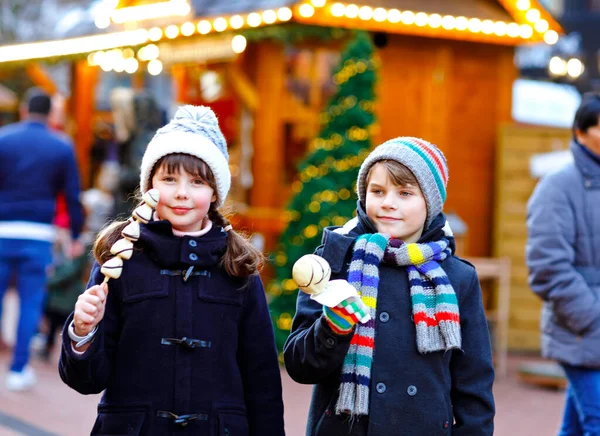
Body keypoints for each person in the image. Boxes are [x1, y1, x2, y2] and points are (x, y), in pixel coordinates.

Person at [58, 105, 285, 435]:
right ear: (150, 185)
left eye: (197, 181)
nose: (181, 193)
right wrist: (82, 333)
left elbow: (261, 377)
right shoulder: (119, 259)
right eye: (168, 179)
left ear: (215, 192)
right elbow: (88, 380)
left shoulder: (238, 267)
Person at [284, 137, 495, 435]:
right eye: (377, 191)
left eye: (405, 192)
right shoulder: (334, 261)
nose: (387, 203)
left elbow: (474, 384)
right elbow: (299, 366)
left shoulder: (457, 278)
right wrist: (332, 328)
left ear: (430, 203)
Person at [526, 92, 600, 435]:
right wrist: (593, 319)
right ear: (581, 131)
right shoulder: (556, 187)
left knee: (577, 425)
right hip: (582, 331)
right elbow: (547, 267)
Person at [0, 87, 83, 391]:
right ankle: (18, 369)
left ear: (24, 109)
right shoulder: (61, 147)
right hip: (37, 234)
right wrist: (75, 235)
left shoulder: (3, 139)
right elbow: (72, 196)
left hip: (2, 230)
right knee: (30, 302)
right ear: (50, 114)